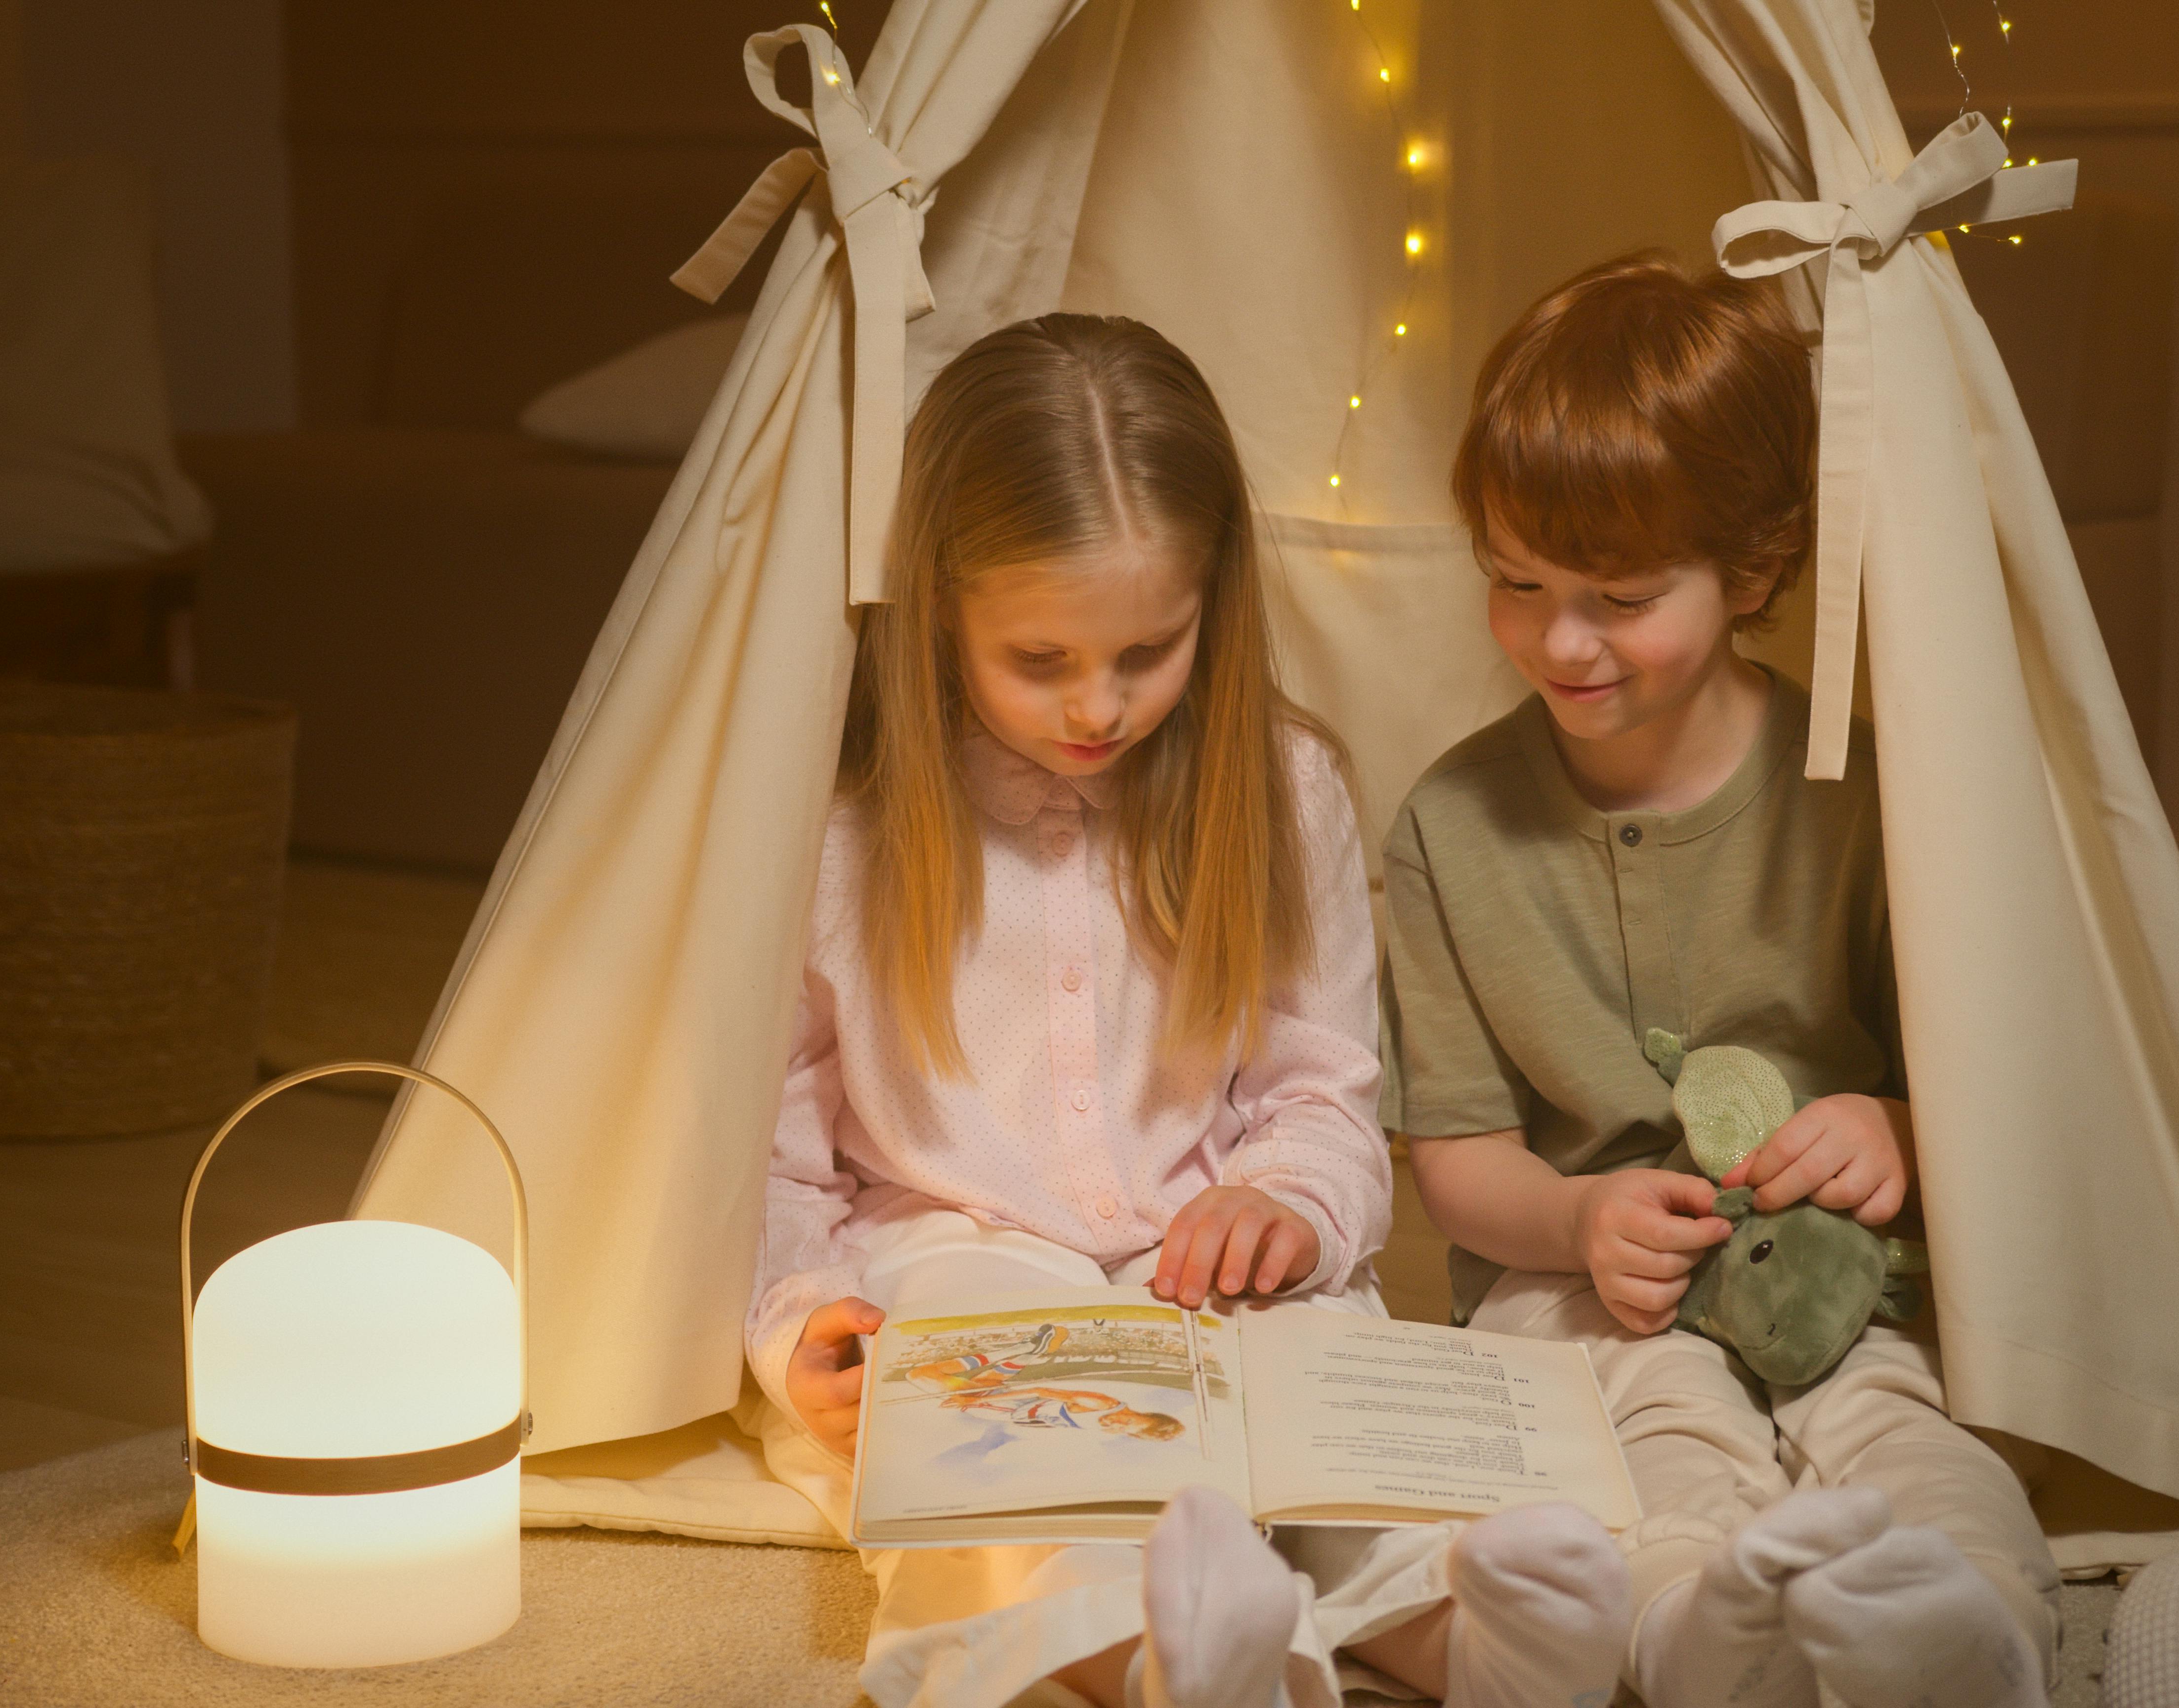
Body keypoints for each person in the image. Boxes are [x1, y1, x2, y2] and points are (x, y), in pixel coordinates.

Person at [744, 313, 1630, 1708]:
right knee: (1016, 1490)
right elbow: (777, 1157)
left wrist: (1291, 1200)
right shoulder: (843, 825)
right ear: (938, 608)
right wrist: (800, 1327)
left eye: (1147, 651)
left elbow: (1322, 1093)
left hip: (1210, 1250)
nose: (1098, 706)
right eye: (1040, 661)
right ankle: (1182, 1664)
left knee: (1348, 1411)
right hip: (957, 1254)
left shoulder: (1287, 789)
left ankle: (1485, 1642)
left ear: (1214, 600)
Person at [1384, 256, 2062, 1708]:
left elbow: (2004, 1076)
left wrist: (1894, 1122)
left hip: (1845, 1272)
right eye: (1517, 583)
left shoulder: (1870, 794)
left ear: (1753, 571)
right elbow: (1457, 1161)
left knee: (1908, 1419)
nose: (1561, 640)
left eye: (1621, 597)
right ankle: (1699, 1639)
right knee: (1648, 1445)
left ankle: (1968, 1631)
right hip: (1582, 1290)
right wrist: (1574, 1218)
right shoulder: (1449, 825)